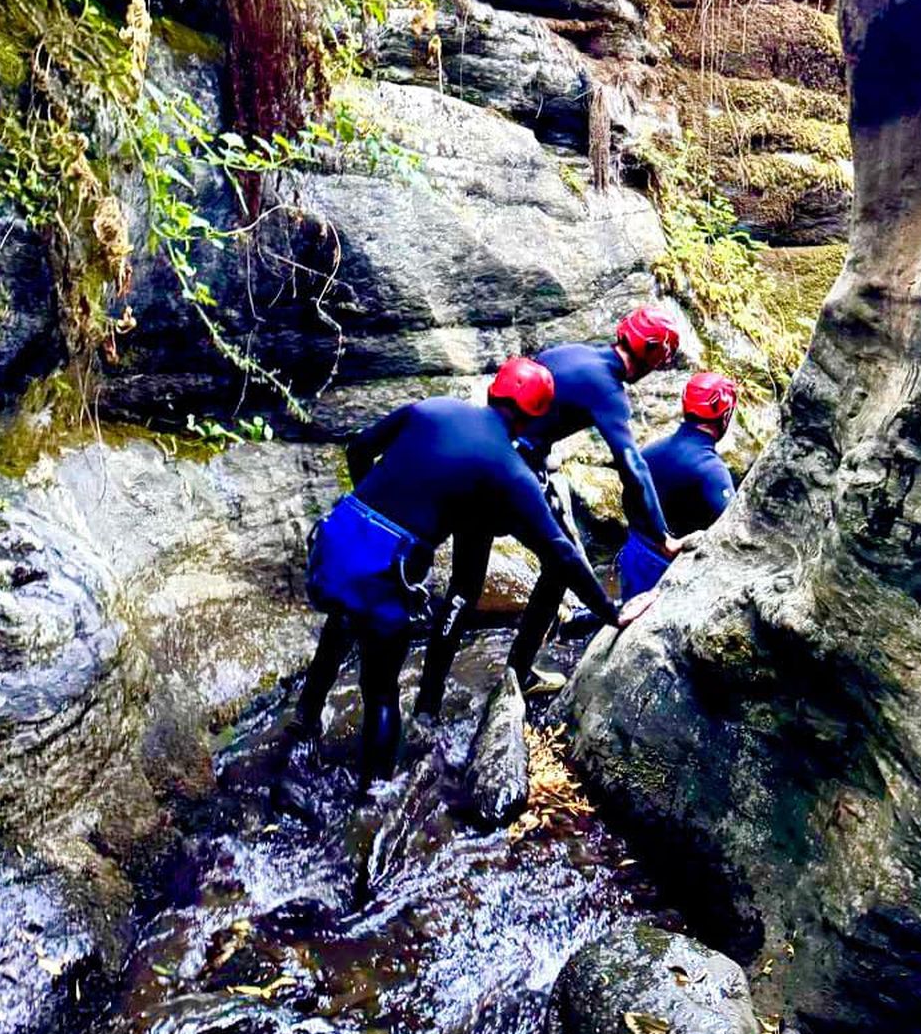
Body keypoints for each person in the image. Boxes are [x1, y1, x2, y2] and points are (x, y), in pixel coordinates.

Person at [298, 358, 641, 788]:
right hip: (385, 571)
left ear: (494, 392)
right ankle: (375, 799)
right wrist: (611, 612)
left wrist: (372, 509)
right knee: (381, 690)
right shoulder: (509, 469)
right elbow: (561, 553)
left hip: (336, 543)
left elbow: (359, 448)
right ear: (536, 416)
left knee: (338, 630)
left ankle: (303, 727)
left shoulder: (431, 408)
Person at [415, 306, 684, 717]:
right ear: (651, 355)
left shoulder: (574, 353)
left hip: (485, 463)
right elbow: (633, 465)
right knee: (560, 566)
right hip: (515, 479)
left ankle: (427, 703)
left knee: (463, 588)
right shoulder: (609, 390)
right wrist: (662, 537)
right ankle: (520, 673)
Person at [617, 370, 738, 597]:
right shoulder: (711, 470)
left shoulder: (650, 451)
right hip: (669, 570)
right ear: (725, 416)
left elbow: (628, 497)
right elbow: (733, 527)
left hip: (634, 553)